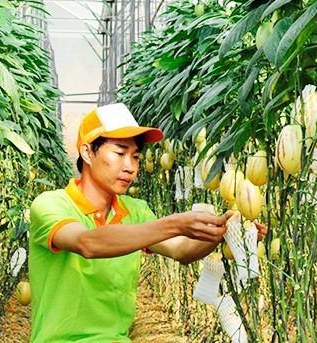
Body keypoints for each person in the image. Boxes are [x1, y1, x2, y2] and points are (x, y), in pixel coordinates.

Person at [28, 103, 264, 342]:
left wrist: (223, 232)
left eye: (136, 157)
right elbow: (87, 243)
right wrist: (174, 224)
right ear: (88, 153)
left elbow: (182, 250)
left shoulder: (136, 211)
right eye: (120, 154)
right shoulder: (50, 205)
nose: (130, 167)